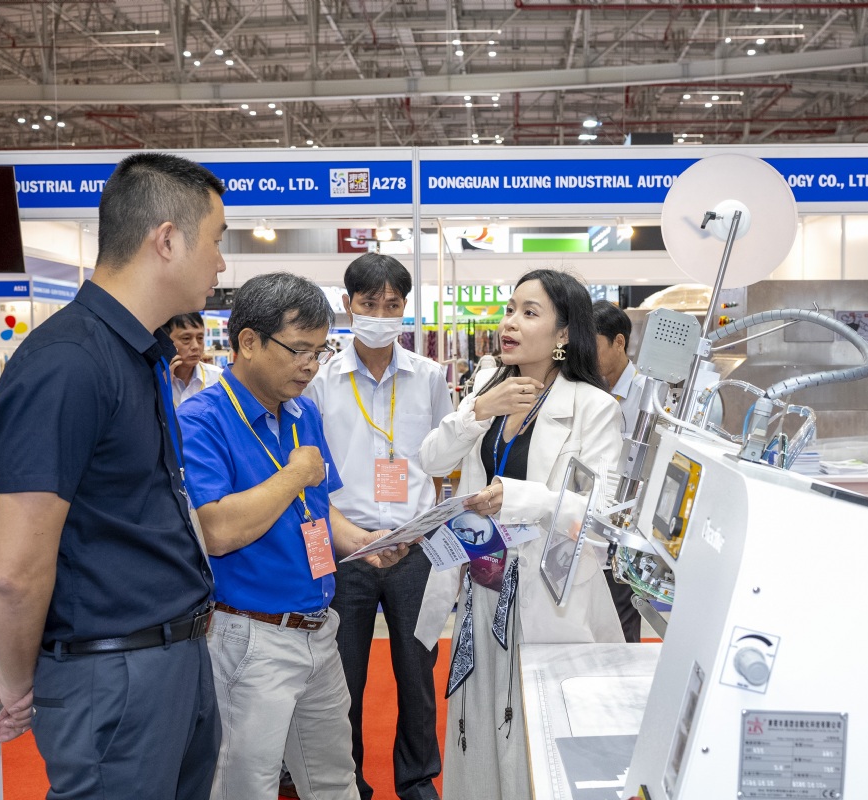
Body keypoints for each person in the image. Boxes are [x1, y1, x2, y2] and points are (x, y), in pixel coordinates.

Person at [0, 152, 227, 800]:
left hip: (167, 660)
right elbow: (12, 572)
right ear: (167, 240)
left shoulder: (134, 355)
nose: (221, 264)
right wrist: (18, 677)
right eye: (216, 241)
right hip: (114, 676)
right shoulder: (68, 363)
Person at [177, 271, 408, 800]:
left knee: (335, 780)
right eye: (299, 349)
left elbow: (319, 510)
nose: (310, 365)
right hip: (250, 636)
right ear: (249, 342)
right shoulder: (202, 420)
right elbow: (216, 530)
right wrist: (295, 473)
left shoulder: (303, 412)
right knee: (244, 787)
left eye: (319, 351)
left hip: (318, 627)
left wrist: (362, 542)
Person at [416, 269, 625, 800]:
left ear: (563, 335)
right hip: (483, 587)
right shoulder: (488, 386)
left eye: (530, 313)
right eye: (510, 309)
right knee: (480, 724)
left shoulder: (593, 407)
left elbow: (601, 515)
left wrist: (517, 497)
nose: (510, 322)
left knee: (536, 731)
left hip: (547, 597)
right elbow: (431, 460)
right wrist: (478, 409)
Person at [305, 253, 452, 800]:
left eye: (393, 305)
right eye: (370, 304)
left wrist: (426, 523)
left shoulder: (429, 376)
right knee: (343, 678)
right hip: (348, 550)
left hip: (414, 546)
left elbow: (441, 459)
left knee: (417, 673)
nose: (382, 315)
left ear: (405, 307)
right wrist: (349, 537)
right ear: (348, 305)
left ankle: (417, 780)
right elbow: (311, 471)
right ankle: (350, 783)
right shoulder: (321, 381)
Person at [592, 300, 647, 644]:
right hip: (592, 519)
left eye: (593, 345)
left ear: (619, 342)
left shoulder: (648, 395)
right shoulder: (590, 390)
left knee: (622, 619)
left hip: (627, 524)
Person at [165, 311, 222, 407]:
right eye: (186, 338)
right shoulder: (155, 381)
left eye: (200, 338)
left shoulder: (218, 378)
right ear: (166, 341)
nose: (195, 346)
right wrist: (162, 388)